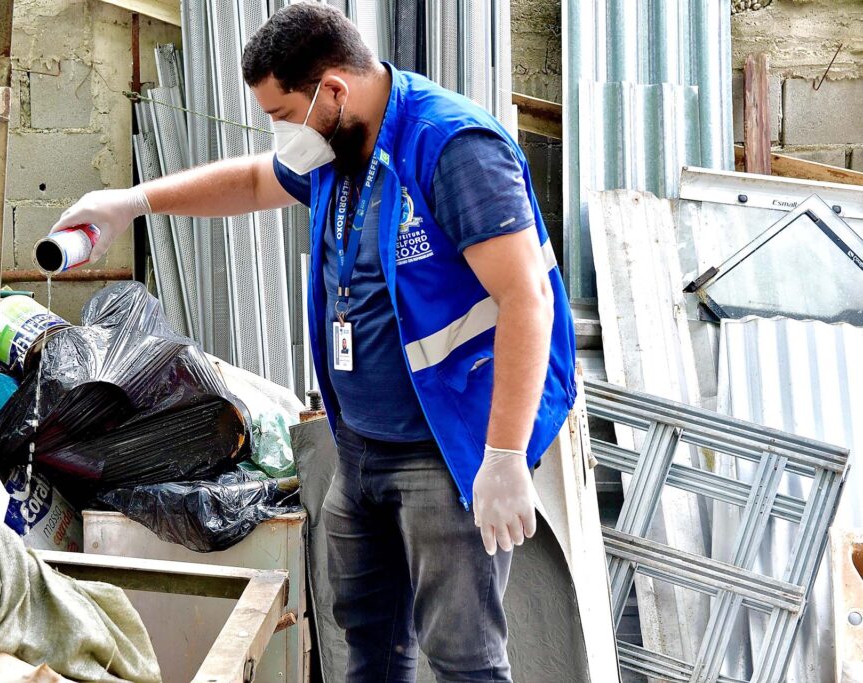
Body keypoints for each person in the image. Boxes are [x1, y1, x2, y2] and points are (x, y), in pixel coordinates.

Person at [51, 5, 576, 681]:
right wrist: (133, 202)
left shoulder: (452, 148)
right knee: (369, 645)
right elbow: (251, 180)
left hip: (445, 455)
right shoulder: (336, 143)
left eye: (281, 113)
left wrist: (503, 455)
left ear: (333, 90)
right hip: (361, 448)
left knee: (463, 660)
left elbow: (526, 300)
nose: (277, 132)